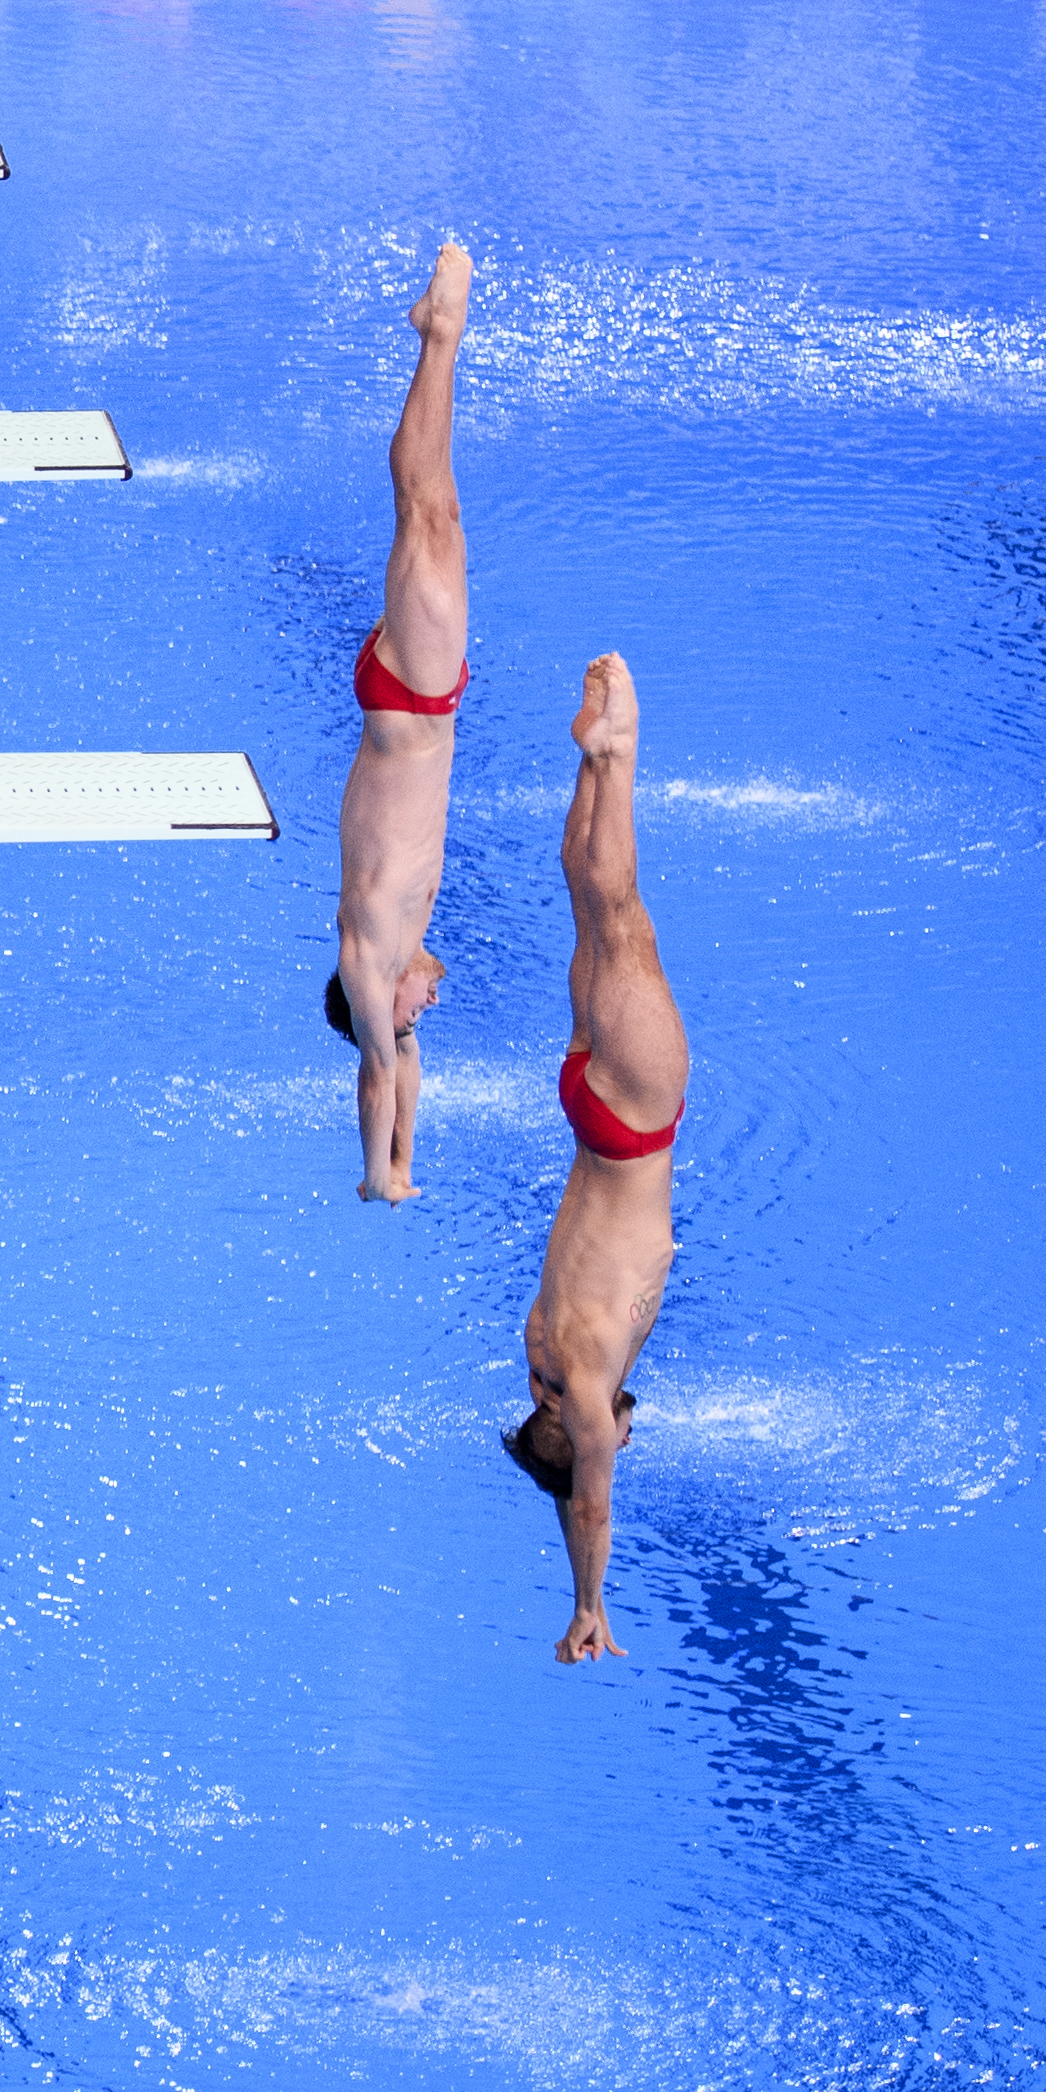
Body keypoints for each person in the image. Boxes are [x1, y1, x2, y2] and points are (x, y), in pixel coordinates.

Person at [504, 653, 689, 1670]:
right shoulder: (537, 1348)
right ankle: (591, 766)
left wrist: (588, 1604)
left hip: (631, 1114)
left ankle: (612, 754)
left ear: (575, 1433)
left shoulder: (580, 1377)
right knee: (591, 909)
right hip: (585, 1104)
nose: (623, 1435)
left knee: (616, 916)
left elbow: (587, 1503)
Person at [327, 243, 466, 1204]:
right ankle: (439, 341)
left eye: (413, 1014)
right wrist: (413, 1161)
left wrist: (378, 1175)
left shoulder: (367, 957)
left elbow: (382, 1069)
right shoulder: (399, 941)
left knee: (425, 512)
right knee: (436, 517)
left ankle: (440, 336)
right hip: (423, 702)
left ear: (377, 1007)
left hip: (408, 701)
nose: (429, 1001)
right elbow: (407, 1072)